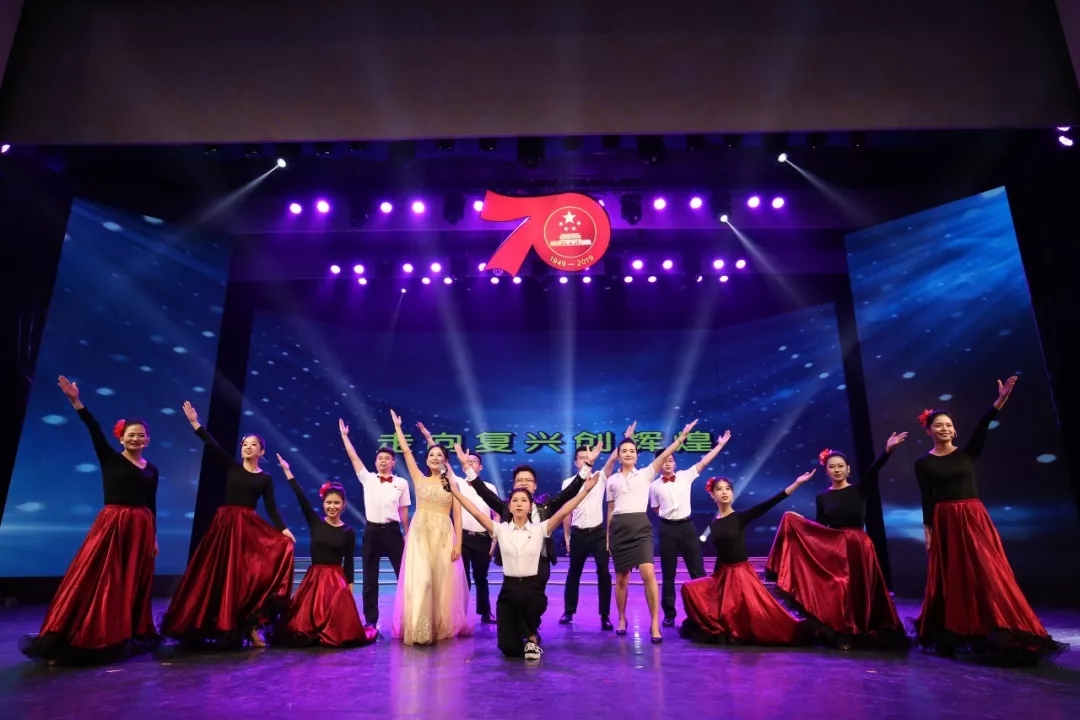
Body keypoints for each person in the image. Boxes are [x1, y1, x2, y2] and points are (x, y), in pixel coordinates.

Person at [914, 376, 1066, 664]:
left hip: (973, 517)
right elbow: (926, 497)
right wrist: (929, 531)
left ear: (954, 429)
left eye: (948, 424)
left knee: (987, 571)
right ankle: (953, 631)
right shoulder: (923, 463)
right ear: (929, 430)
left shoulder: (967, 454)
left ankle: (998, 627)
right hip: (945, 520)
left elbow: (983, 425)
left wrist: (1000, 400)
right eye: (938, 425)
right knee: (952, 574)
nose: (944, 428)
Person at [20, 376, 160, 665]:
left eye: (141, 435)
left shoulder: (152, 469)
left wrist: (154, 537)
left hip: (141, 528)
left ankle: (125, 631)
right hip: (114, 524)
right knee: (100, 578)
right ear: (121, 437)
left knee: (130, 582)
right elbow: (93, 428)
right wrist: (76, 401)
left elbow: (151, 504)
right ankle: (81, 634)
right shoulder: (110, 457)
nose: (136, 439)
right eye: (131, 435)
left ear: (148, 439)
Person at [448, 443, 602, 660]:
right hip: (511, 578)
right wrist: (461, 480)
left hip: (538, 566)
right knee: (508, 648)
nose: (523, 486)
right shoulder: (502, 524)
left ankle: (531, 636)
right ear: (510, 501)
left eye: (528, 481)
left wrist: (586, 477)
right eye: (519, 482)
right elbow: (479, 501)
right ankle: (521, 633)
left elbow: (568, 501)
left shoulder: (543, 520)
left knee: (533, 602)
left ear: (535, 487)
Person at [161, 401, 296, 648]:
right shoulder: (233, 467)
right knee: (217, 574)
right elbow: (212, 445)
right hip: (225, 526)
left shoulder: (265, 478)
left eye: (253, 445)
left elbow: (271, 507)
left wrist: (284, 530)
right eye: (245, 444)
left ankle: (249, 626)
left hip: (247, 528)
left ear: (261, 452)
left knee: (245, 577)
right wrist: (195, 423)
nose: (247, 447)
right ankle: (208, 624)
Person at [765, 432, 908, 650]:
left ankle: (861, 628)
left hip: (858, 546)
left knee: (860, 589)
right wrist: (798, 523)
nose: (837, 470)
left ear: (848, 469)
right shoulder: (822, 497)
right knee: (840, 590)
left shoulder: (859, 489)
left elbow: (875, 470)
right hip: (834, 548)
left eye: (841, 466)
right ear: (827, 471)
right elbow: (821, 527)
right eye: (832, 467)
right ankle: (843, 631)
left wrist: (887, 450)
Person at [680, 472, 816, 645]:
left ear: (732, 493)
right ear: (712, 495)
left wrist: (797, 483)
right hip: (723, 574)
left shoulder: (740, 517)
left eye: (727, 489)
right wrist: (715, 580)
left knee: (756, 616)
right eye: (719, 489)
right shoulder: (714, 521)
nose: (724, 492)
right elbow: (721, 553)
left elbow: (770, 503)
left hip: (741, 575)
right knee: (690, 588)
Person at [599, 419, 698, 643]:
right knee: (622, 578)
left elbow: (665, 455)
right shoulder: (611, 480)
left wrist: (682, 437)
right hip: (619, 530)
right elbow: (611, 510)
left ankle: (654, 623)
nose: (628, 454)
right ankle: (621, 618)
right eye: (624, 451)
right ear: (618, 455)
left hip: (641, 528)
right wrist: (607, 537)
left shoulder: (645, 474)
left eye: (632, 451)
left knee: (648, 573)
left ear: (637, 456)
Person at [272, 455, 377, 648]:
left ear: (343, 505)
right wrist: (287, 471)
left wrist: (349, 589)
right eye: (329, 502)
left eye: (336, 503)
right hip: (314, 578)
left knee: (340, 628)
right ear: (323, 504)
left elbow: (349, 562)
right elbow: (300, 496)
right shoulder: (315, 522)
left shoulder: (348, 531)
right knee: (300, 626)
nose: (332, 506)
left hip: (336, 581)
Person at [387, 410, 472, 645]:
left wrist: (458, 544)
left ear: (445, 461)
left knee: (441, 583)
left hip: (444, 535)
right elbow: (406, 452)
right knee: (422, 580)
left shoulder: (451, 483)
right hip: (421, 535)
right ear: (426, 460)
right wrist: (398, 427)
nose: (435, 457)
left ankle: (439, 627)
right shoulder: (418, 478)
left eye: (439, 455)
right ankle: (419, 628)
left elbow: (458, 515)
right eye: (431, 455)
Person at [649, 430, 731, 627]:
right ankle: (669, 613)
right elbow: (655, 507)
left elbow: (704, 462)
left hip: (687, 527)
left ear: (675, 463)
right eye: (663, 460)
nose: (667, 463)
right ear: (658, 464)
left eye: (670, 460)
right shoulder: (654, 486)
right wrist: (667, 516)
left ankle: (705, 609)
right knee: (668, 573)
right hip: (667, 530)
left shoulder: (685, 476)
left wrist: (720, 445)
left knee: (697, 570)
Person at [338, 418, 411, 631]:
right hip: (372, 531)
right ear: (375, 462)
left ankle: (409, 616)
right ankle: (371, 620)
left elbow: (403, 511)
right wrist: (345, 436)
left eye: (387, 458)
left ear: (393, 463)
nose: (383, 461)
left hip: (393, 531)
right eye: (380, 458)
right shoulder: (368, 478)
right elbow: (354, 457)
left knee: (404, 575)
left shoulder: (401, 483)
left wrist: (407, 533)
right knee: (370, 578)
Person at [559, 446, 614, 630]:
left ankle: (605, 615)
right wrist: (567, 535)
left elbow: (612, 460)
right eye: (581, 457)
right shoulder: (568, 483)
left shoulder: (600, 477)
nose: (585, 460)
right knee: (574, 572)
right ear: (576, 462)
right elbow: (566, 512)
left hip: (597, 533)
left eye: (587, 457)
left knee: (604, 572)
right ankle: (568, 611)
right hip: (578, 533)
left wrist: (626, 438)